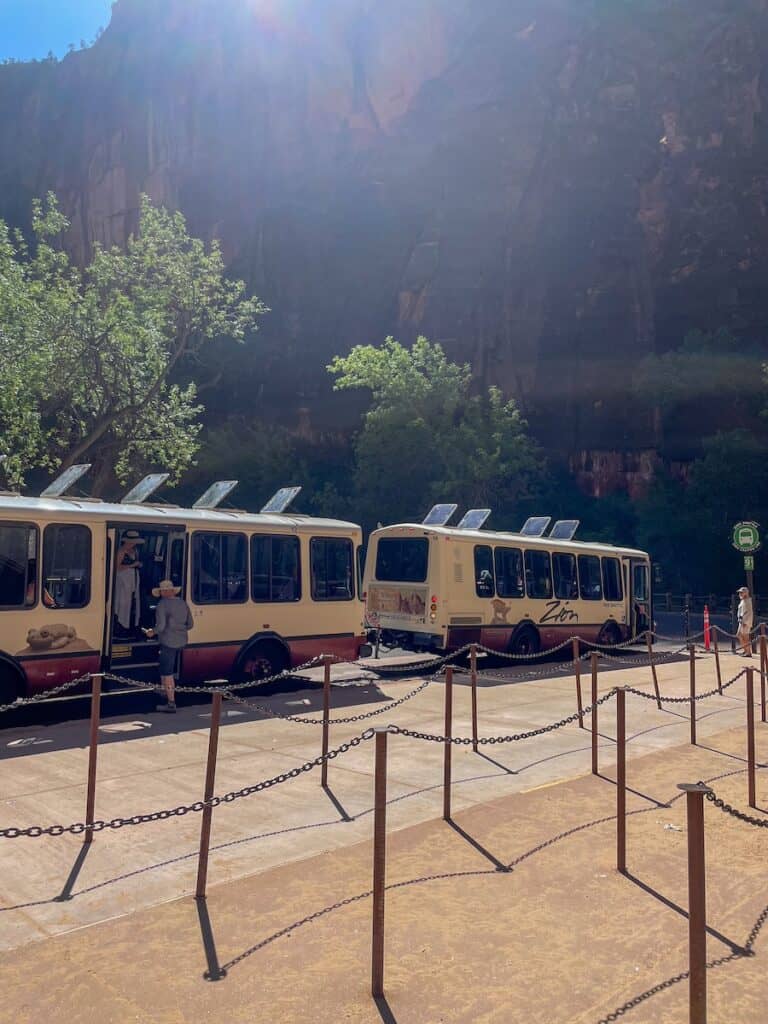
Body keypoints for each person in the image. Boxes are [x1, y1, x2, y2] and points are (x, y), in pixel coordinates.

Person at [144, 579, 193, 713]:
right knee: (164, 666)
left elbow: (160, 627)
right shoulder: (183, 603)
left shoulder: (162, 605)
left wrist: (151, 632)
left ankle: (171, 703)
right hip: (182, 641)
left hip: (168, 642)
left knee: (167, 672)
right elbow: (190, 625)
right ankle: (164, 691)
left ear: (163, 593)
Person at [114, 530, 144, 634]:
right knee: (122, 602)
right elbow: (117, 567)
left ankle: (131, 626)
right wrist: (132, 565)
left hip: (133, 580)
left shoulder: (135, 551)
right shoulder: (121, 551)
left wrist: (138, 565)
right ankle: (121, 626)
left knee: (133, 603)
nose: (133, 544)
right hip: (123, 581)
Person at [737, 585, 754, 657]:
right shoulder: (743, 601)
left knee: (745, 637)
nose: (740, 594)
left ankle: (748, 652)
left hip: (745, 622)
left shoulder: (747, 601)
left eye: (741, 592)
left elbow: (749, 613)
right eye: (740, 592)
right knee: (739, 635)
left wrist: (745, 622)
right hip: (741, 621)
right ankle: (746, 650)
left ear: (746, 593)